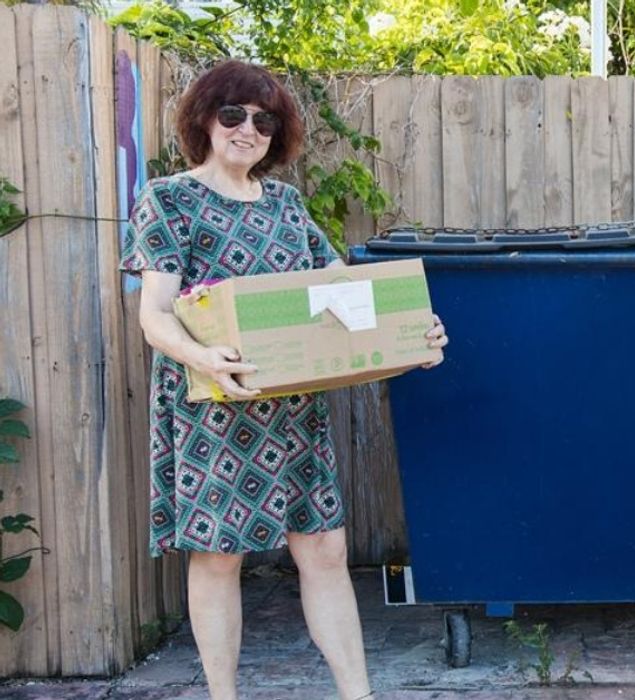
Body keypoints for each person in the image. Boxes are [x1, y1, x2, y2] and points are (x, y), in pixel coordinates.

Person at [121, 59, 448, 700]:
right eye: (234, 114)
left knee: (324, 549)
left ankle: (359, 695)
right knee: (218, 557)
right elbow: (154, 315)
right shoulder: (168, 199)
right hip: (214, 404)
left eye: (264, 119)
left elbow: (347, 297)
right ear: (204, 119)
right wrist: (206, 358)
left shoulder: (288, 205)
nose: (249, 129)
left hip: (291, 405)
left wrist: (415, 335)